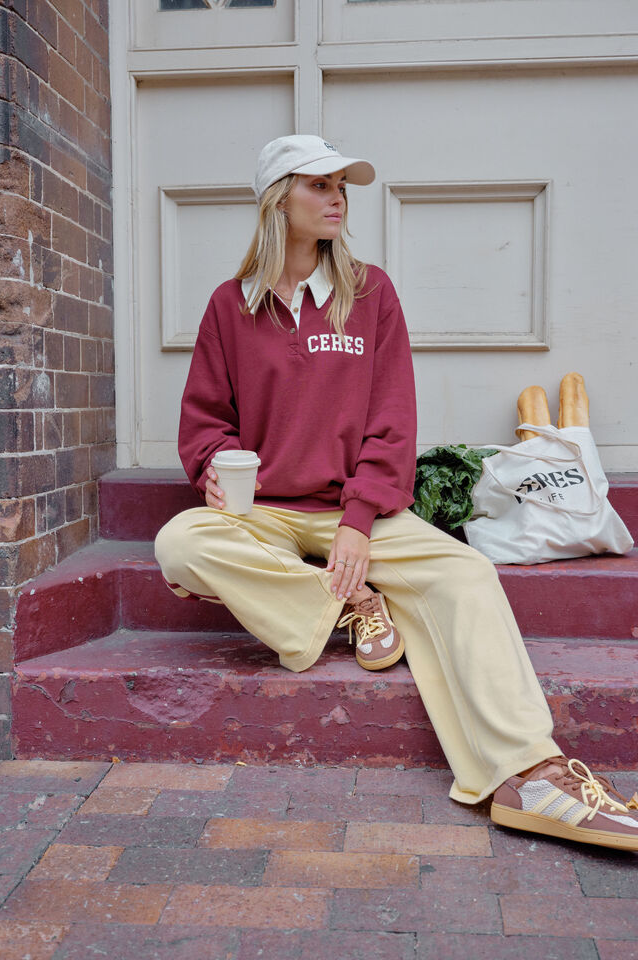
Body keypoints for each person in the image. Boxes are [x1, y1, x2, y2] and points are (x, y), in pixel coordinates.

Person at [155, 134, 638, 851]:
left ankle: (528, 776)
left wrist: (356, 524)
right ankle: (347, 608)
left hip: (361, 512)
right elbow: (204, 422)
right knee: (180, 542)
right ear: (277, 199)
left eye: (342, 185)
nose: (338, 197)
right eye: (319, 184)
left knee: (466, 573)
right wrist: (218, 471)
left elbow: (392, 421)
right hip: (269, 515)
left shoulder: (371, 293)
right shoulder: (231, 306)